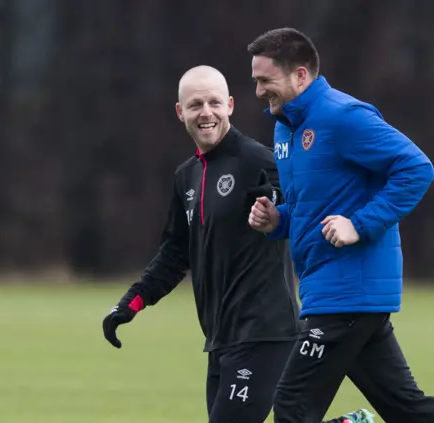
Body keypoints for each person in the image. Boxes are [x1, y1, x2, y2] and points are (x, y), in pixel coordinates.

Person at [101, 65, 371, 423]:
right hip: (220, 337)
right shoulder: (187, 176)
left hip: (265, 332)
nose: (206, 112)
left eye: (214, 102)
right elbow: (175, 253)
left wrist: (283, 206)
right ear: (181, 112)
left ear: (229, 105)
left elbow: (307, 206)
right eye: (196, 105)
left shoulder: (258, 161)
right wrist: (131, 303)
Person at [247, 28, 434, 423]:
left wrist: (360, 224)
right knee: (405, 407)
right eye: (255, 80)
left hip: (347, 294)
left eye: (265, 80)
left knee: (292, 406)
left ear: (300, 76)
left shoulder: (344, 116)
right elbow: (309, 208)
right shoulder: (284, 127)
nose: (258, 91)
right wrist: (277, 219)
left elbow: (416, 168)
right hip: (334, 292)